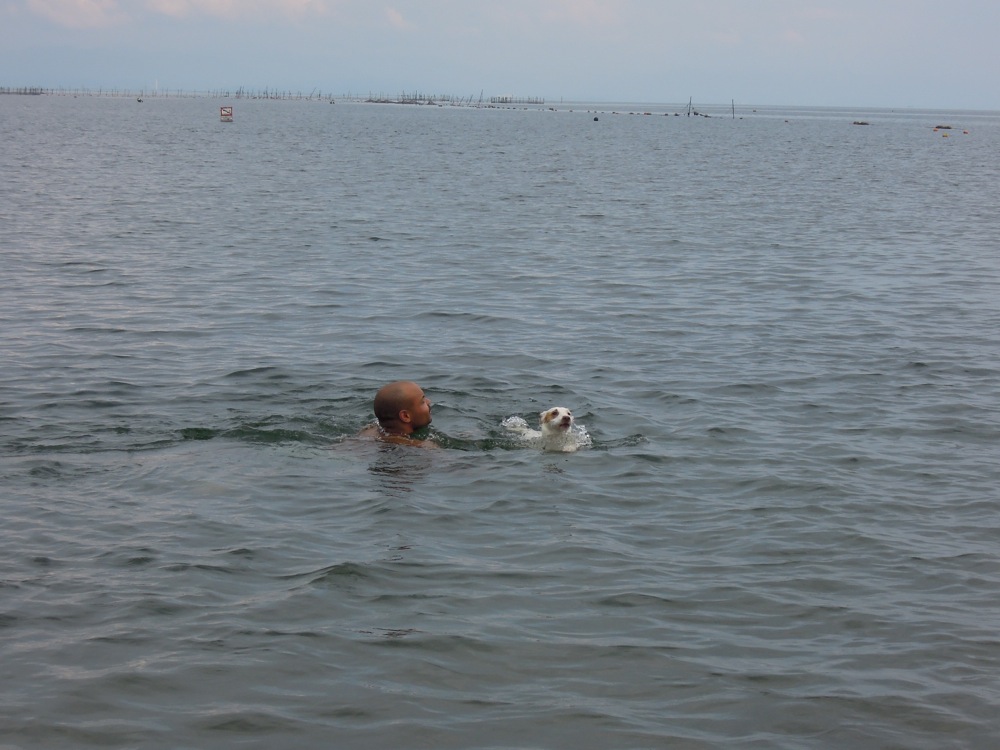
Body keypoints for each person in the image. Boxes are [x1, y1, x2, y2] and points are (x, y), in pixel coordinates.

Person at [358, 381, 435, 446]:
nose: (429, 401)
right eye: (422, 401)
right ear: (405, 416)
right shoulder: (422, 447)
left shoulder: (367, 432)